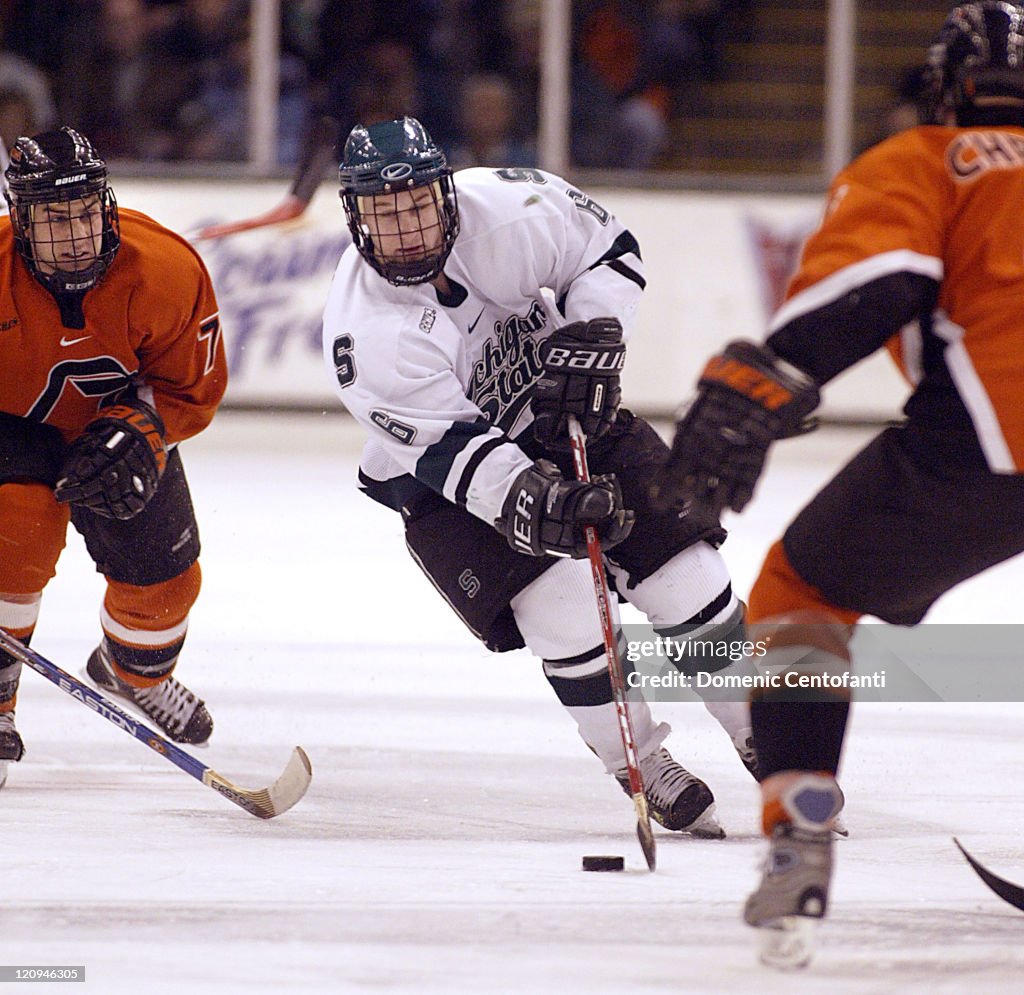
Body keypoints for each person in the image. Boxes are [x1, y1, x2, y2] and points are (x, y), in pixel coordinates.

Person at [654, 0, 1024, 955]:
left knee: (802, 592)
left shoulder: (932, 160)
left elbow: (879, 283)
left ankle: (798, 831)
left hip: (993, 439)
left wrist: (764, 377)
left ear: (945, 88)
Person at [321, 115, 757, 837]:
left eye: (417, 206)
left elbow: (608, 248)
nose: (406, 229)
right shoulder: (365, 334)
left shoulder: (507, 209)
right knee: (563, 607)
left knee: (688, 576)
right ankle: (640, 761)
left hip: (560, 409)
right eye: (384, 214)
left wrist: (592, 336)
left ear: (445, 195)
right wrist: (537, 501)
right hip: (447, 481)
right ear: (356, 222)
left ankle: (763, 732)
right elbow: (457, 456)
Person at [0, 126, 228, 784]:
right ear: (20, 219)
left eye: (82, 213)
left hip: (119, 427)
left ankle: (135, 673)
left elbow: (196, 388)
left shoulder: (165, 267)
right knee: (15, 534)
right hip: (13, 426)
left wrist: (145, 425)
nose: (74, 235)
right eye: (52, 219)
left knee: (166, 588)